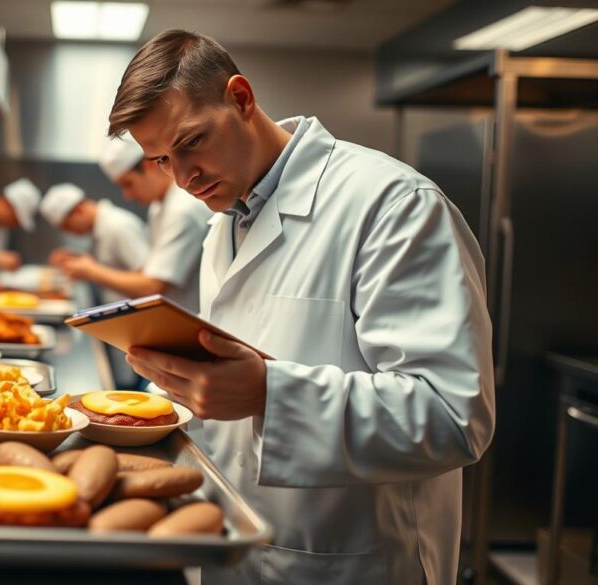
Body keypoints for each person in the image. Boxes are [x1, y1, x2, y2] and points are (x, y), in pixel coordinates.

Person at [109, 30, 495, 584]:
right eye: (163, 160)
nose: (183, 178)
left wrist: (270, 392)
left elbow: (456, 416)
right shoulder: (225, 225)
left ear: (240, 98)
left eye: (191, 142)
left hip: (354, 561)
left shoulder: (393, 207)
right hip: (241, 545)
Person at [55, 135, 210, 312]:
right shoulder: (159, 207)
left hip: (191, 321)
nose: (127, 195)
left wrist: (92, 272)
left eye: (128, 184)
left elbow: (152, 286)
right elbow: (150, 270)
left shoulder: (183, 209)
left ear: (149, 165)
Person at [40, 183, 150, 304]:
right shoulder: (98, 228)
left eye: (67, 226)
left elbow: (148, 285)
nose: (71, 233)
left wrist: (92, 272)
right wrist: (75, 258)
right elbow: (113, 265)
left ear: (78, 210)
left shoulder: (117, 226)